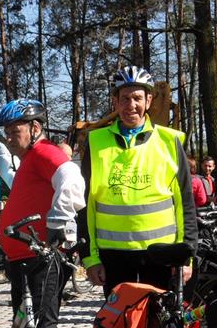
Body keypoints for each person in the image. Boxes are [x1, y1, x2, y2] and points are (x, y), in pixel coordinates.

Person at [0, 98, 85, 328]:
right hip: (21, 257)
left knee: (45, 326)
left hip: (42, 257)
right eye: (6, 131)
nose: (9, 137)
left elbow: (72, 180)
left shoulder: (45, 152)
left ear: (35, 128)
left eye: (14, 130)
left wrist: (58, 221)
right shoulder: (28, 159)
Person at [79, 66, 199, 295]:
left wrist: (186, 256)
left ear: (149, 100)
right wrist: (90, 257)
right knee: (118, 318)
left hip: (161, 255)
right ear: (115, 101)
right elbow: (85, 204)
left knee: (159, 317)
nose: (131, 105)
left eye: (137, 98)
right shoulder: (95, 142)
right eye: (125, 98)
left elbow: (185, 204)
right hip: (113, 256)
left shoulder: (169, 141)